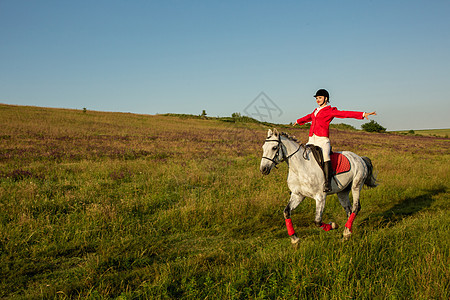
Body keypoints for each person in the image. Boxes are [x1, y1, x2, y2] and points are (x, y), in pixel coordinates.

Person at [293, 89, 376, 192]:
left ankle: (327, 182)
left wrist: (363, 114)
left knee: (326, 156)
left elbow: (345, 114)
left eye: (320, 98)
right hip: (311, 139)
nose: (318, 100)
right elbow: (309, 117)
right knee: (303, 155)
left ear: (326, 98)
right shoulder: (315, 111)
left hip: (322, 140)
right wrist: (298, 121)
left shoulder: (330, 111)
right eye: (317, 98)